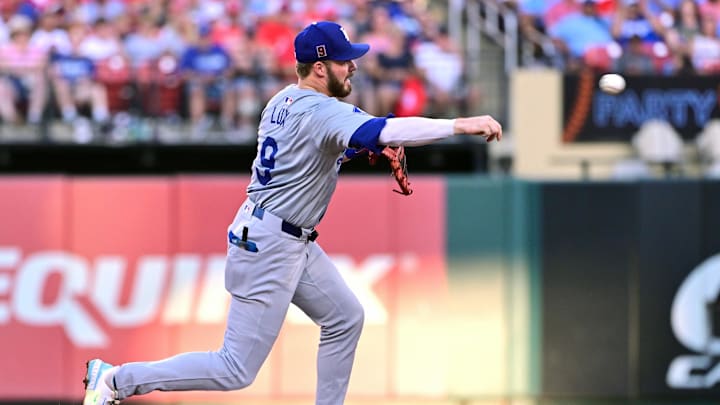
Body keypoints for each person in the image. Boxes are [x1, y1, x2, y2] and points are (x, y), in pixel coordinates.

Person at [82, 21, 501, 405]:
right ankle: (116, 380)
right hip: (270, 244)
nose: (352, 68)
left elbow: (318, 147)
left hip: (284, 235)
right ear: (320, 67)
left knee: (345, 317)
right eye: (343, 61)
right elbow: (382, 130)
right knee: (234, 368)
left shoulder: (283, 100)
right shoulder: (321, 109)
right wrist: (459, 125)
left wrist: (360, 146)